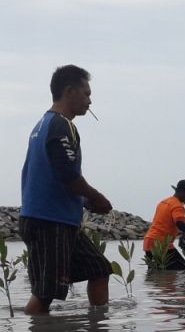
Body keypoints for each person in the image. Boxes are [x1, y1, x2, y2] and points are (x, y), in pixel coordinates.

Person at [18, 65, 114, 314]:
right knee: (45, 293)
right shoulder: (59, 126)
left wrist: (83, 201)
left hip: (59, 220)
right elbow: (68, 174)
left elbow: (51, 174)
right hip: (50, 222)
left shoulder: (45, 125)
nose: (90, 100)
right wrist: (96, 197)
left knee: (99, 269)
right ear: (69, 92)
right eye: (86, 93)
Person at [143, 180, 185, 270]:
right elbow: (181, 224)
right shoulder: (177, 205)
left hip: (149, 242)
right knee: (183, 269)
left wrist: (184, 235)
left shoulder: (163, 202)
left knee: (155, 272)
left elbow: (172, 222)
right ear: (182, 192)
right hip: (161, 244)